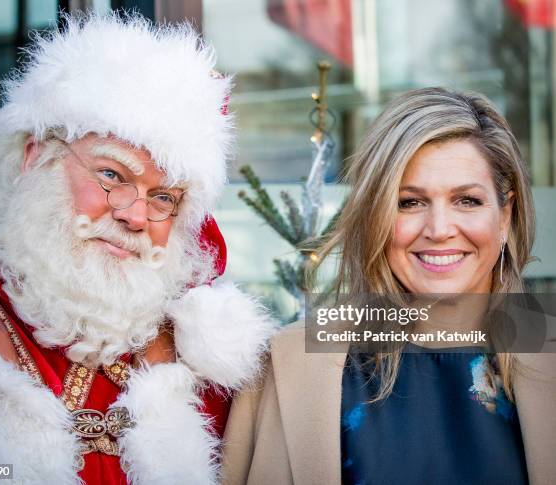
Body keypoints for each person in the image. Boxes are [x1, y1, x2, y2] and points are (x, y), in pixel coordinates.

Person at [0, 12, 277, 485]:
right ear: (34, 157)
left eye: (164, 198)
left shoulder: (203, 372)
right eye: (112, 176)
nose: (135, 216)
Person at [222, 87, 556, 485]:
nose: (439, 230)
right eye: (409, 202)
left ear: (505, 216)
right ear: (376, 216)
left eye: (467, 200)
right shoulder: (288, 367)